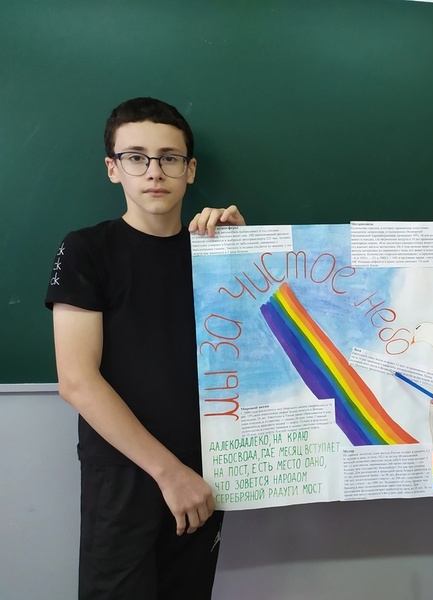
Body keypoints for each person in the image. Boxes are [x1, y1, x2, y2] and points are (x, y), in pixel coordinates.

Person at [45, 97, 245, 600]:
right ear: (113, 168)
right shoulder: (88, 249)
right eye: (136, 157)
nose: (154, 171)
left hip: (206, 467)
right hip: (126, 470)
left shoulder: (215, 251)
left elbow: (262, 349)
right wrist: (168, 473)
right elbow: (76, 381)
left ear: (190, 169)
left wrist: (244, 253)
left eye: (169, 158)